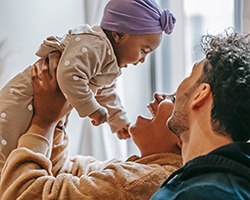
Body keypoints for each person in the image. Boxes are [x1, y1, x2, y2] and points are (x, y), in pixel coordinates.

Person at [0, 0, 176, 172]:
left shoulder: (107, 60)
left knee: (14, 154)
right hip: (23, 97)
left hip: (37, 103)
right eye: (143, 51)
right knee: (5, 146)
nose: (142, 59)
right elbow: (69, 76)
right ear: (118, 35)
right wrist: (93, 109)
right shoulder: (95, 45)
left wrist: (118, 120)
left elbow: (105, 92)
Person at [0, 55, 182, 199]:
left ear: (183, 139)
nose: (159, 95)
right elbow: (61, 172)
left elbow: (21, 195)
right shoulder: (138, 169)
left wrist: (43, 123)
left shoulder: (138, 183)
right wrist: (58, 115)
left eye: (174, 99)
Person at [151, 29, 250, 199]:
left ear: (200, 94)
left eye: (191, 75)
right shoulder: (205, 182)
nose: (177, 92)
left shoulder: (208, 193)